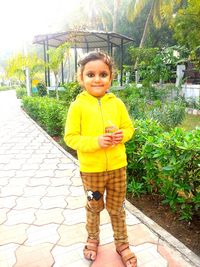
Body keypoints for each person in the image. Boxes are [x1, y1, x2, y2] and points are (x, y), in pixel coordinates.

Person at [64, 51, 137, 267]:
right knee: (94, 207)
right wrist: (96, 142)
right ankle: (93, 239)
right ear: (81, 78)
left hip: (117, 168)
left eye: (103, 74)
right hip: (92, 171)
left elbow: (129, 129)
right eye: (90, 74)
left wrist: (120, 135)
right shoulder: (78, 106)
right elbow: (70, 137)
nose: (97, 79)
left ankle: (122, 244)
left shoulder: (117, 104)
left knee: (117, 209)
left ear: (111, 77)